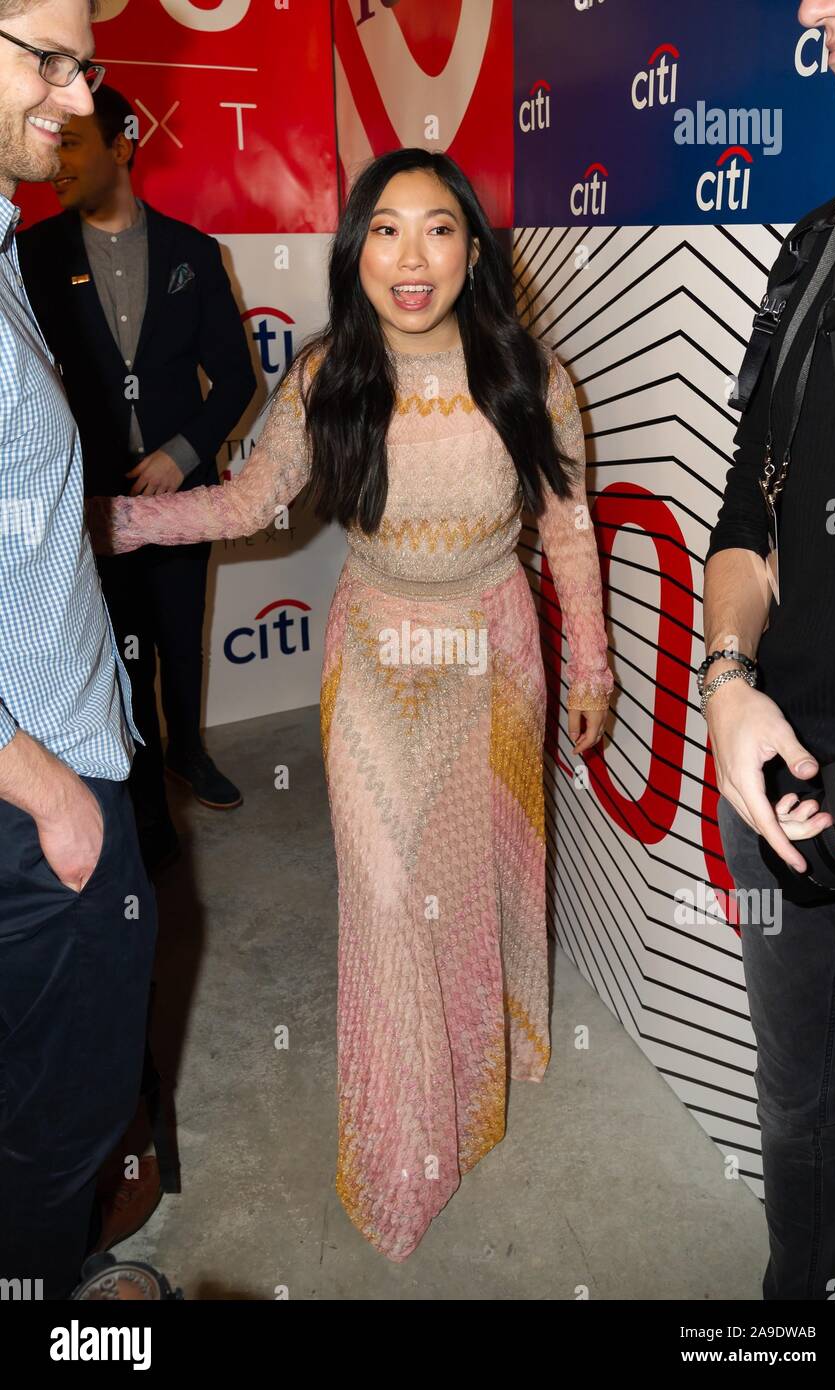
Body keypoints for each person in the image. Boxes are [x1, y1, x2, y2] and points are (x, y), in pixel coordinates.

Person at [90, 146, 614, 1261]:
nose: (409, 255)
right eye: (383, 228)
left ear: (473, 250)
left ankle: (487, 1057)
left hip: (492, 650)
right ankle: (401, 1141)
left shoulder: (529, 375)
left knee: (476, 875)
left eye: (436, 228)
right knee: (384, 889)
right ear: (355, 249)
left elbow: (565, 526)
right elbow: (248, 499)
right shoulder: (327, 373)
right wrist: (119, 523)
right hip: (377, 647)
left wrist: (594, 669)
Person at [702, 0, 835, 1302]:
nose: (814, 9)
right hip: (789, 781)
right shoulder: (814, 245)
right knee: (797, 1110)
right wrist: (725, 684)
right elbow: (741, 524)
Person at [0, 0, 156, 1298]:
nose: (76, 92)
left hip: (52, 768)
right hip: (32, 804)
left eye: (86, 63)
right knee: (58, 1135)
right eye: (44, 55)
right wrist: (47, 790)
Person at [17, 83, 257, 873]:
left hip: (181, 500)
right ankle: (149, 806)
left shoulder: (195, 252)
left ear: (123, 145)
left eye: (75, 140)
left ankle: (190, 751)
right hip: (83, 507)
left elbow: (232, 379)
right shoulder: (30, 256)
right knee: (121, 661)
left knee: (179, 644)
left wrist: (180, 455)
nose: (57, 158)